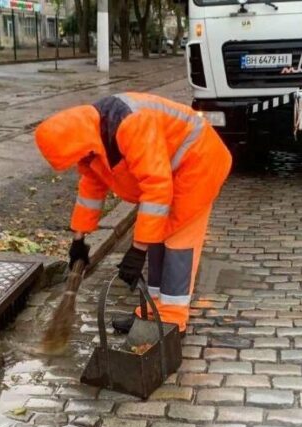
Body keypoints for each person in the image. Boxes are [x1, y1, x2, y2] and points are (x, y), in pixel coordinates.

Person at [34, 92, 232, 335]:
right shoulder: (93, 138)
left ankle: (171, 321)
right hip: (172, 171)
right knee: (157, 234)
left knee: (179, 242)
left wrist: (137, 250)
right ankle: (154, 313)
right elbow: (91, 188)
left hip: (198, 163)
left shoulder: (131, 125)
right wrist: (79, 240)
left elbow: (156, 188)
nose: (80, 161)